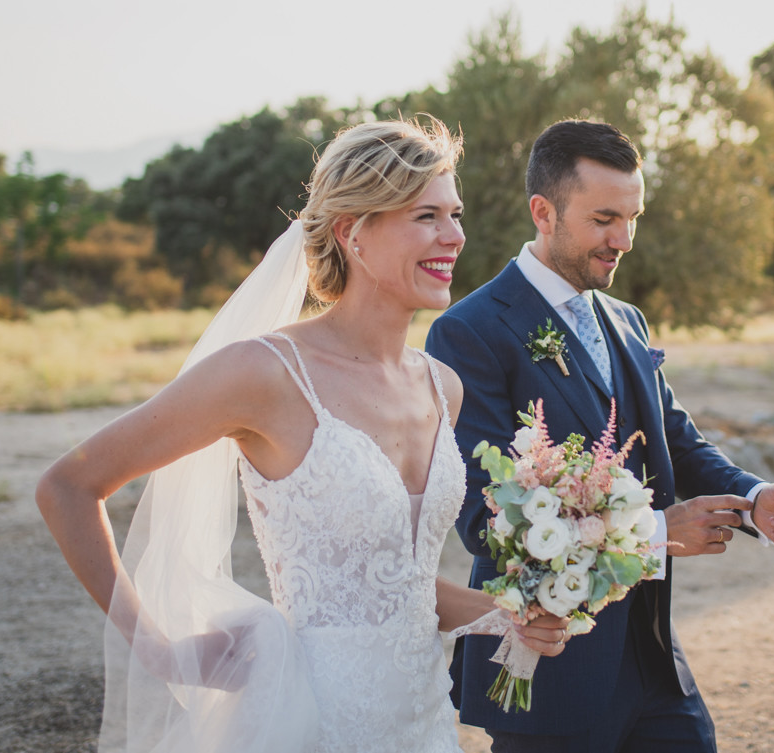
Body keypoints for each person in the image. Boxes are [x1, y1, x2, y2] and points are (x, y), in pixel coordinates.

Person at [37, 117, 568, 753]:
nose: (454, 236)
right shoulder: (264, 373)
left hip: (423, 721)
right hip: (305, 721)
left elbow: (394, 586)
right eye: (426, 216)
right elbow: (68, 485)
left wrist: (504, 614)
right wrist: (158, 650)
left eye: (455, 215)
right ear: (354, 233)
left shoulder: (441, 386)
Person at [426, 118, 774, 752]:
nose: (624, 239)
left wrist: (754, 497)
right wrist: (662, 533)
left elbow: (677, 441)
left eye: (632, 217)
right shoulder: (467, 332)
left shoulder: (627, 319)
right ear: (544, 212)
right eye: (605, 218)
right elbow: (486, 519)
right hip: (548, 661)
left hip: (653, 655)